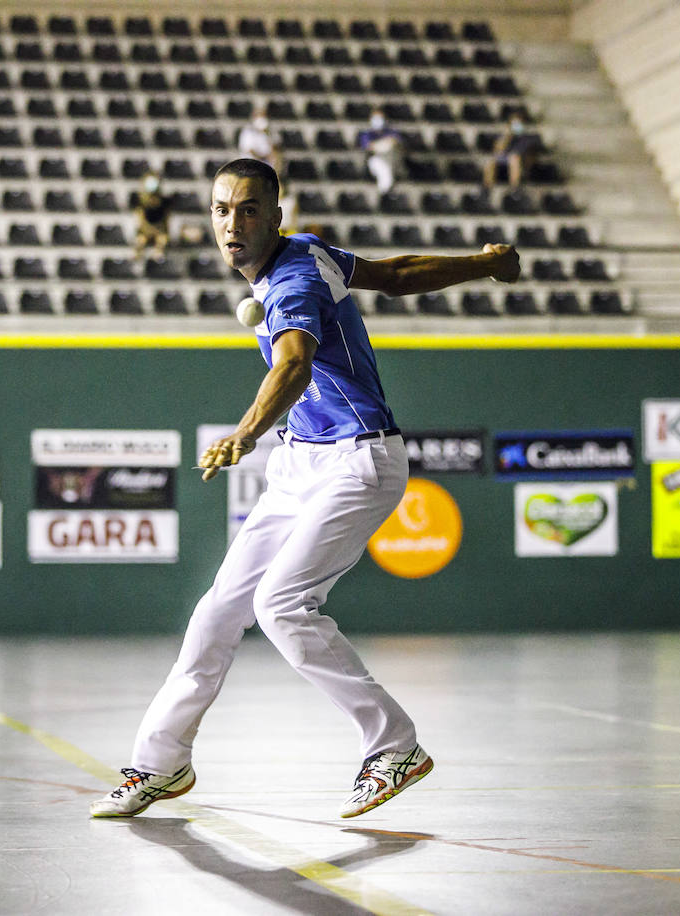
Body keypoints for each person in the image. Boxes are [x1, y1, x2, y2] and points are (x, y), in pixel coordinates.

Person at [90, 158, 520, 819]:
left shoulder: (291, 282)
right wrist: (485, 262)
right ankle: (160, 763)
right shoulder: (313, 254)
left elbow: (294, 362)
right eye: (221, 210)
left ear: (275, 216)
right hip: (302, 464)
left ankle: (394, 745)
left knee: (283, 604)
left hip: (359, 461)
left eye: (249, 210)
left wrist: (244, 432)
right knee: (217, 613)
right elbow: (395, 275)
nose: (232, 224)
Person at [484, 110, 541, 192]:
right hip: (504, 161)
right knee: (490, 161)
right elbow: (497, 150)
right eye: (514, 124)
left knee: (514, 158)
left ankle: (514, 189)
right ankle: (488, 190)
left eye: (519, 124)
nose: (517, 126)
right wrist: (507, 136)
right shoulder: (506, 136)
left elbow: (531, 152)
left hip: (521, 160)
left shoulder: (529, 136)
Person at [357, 107, 405, 193]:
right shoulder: (367, 134)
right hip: (375, 161)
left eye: (380, 118)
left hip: (392, 159)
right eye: (375, 118)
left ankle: (386, 189)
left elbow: (397, 142)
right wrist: (384, 143)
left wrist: (384, 144)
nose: (378, 120)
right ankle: (384, 191)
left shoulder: (391, 131)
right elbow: (369, 146)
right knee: (382, 168)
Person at [132, 172, 172, 261]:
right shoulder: (140, 202)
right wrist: (148, 231)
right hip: (145, 230)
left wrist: (161, 231)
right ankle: (137, 256)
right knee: (140, 240)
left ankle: (157, 258)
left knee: (162, 239)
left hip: (159, 230)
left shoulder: (165, 202)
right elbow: (140, 220)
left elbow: (166, 219)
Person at [237, 106, 282, 176]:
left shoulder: (271, 131)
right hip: (252, 165)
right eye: (260, 115)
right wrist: (262, 159)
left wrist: (267, 135)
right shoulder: (248, 132)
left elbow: (275, 148)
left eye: (264, 115)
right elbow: (250, 151)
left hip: (268, 164)